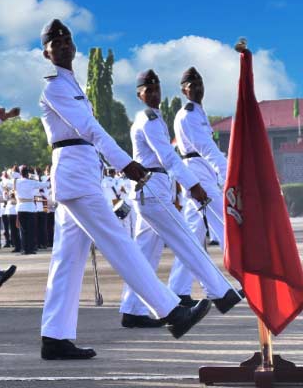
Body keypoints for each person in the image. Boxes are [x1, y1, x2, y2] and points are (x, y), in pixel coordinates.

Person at [37, 19, 211, 361]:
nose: (65, 46)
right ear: (46, 52)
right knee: (118, 243)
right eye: (57, 43)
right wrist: (125, 163)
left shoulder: (71, 84)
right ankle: (171, 312)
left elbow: (88, 133)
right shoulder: (55, 87)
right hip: (75, 174)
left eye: (69, 40)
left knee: (67, 260)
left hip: (81, 172)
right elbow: (89, 128)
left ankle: (55, 337)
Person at [119, 69, 242, 328]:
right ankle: (221, 293)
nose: (154, 94)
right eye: (148, 91)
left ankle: (132, 309)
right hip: (152, 189)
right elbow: (168, 157)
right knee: (187, 239)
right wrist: (193, 185)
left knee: (144, 254)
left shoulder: (155, 118)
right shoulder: (150, 119)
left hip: (153, 188)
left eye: (157, 89)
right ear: (139, 95)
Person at [171, 66, 230, 301]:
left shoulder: (197, 112)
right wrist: (227, 173)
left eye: (199, 84)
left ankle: (179, 289)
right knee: (223, 222)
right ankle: (246, 275)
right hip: (198, 173)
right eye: (192, 86)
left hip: (200, 170)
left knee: (193, 234)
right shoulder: (188, 115)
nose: (197, 89)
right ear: (184, 91)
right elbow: (206, 148)